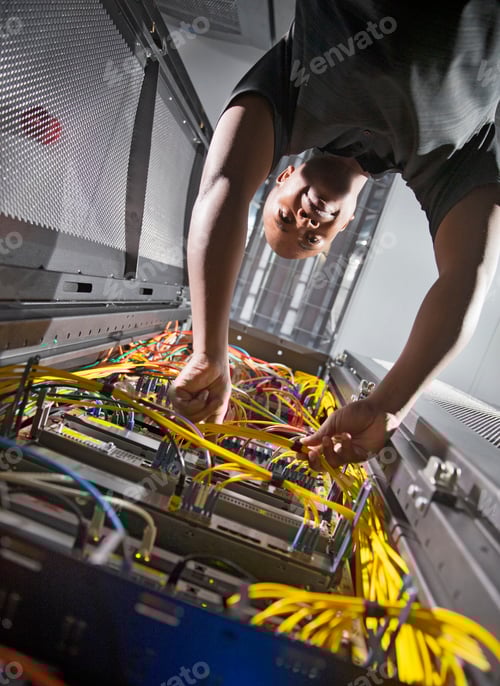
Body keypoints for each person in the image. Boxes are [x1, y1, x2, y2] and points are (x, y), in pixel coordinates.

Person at [172, 0, 500, 470]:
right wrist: (386, 405)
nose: (306, 223)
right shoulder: (446, 164)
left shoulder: (288, 96)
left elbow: (222, 189)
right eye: (312, 238)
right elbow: (467, 278)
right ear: (342, 226)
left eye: (285, 219)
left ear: (281, 180)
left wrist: (208, 351)